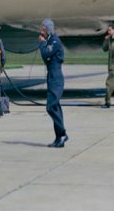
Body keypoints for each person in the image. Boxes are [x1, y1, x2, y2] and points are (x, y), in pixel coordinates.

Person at [39, 19, 68, 147]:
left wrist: (41, 44)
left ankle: (62, 134)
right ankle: (59, 138)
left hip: (56, 77)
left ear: (47, 29)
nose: (41, 30)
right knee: (55, 107)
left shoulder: (54, 40)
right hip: (52, 75)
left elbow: (46, 54)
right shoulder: (50, 40)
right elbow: (47, 57)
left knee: (51, 106)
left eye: (42, 28)